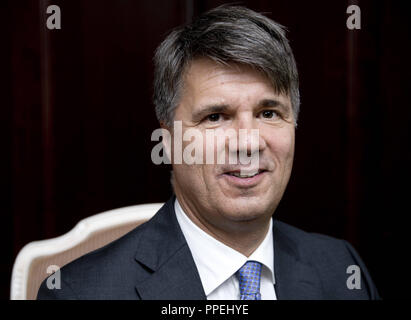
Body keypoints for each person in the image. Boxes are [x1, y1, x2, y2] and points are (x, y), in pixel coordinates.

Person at [37, 5, 380, 300]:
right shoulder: (80, 292)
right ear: (169, 141)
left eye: (268, 113)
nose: (248, 143)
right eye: (215, 117)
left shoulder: (341, 269)